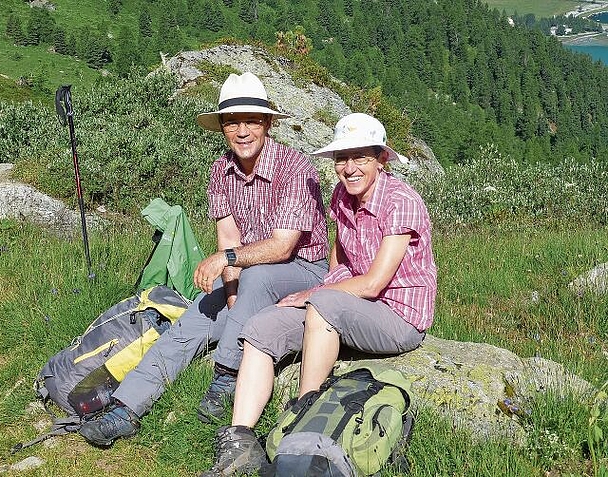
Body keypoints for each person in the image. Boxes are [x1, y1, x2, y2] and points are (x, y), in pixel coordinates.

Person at [79, 72, 329, 447]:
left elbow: (282, 247)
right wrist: (232, 296)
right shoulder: (220, 171)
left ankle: (225, 374)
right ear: (222, 127)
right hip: (248, 273)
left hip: (302, 270)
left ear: (268, 124)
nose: (242, 131)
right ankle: (125, 408)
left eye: (251, 121)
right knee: (192, 322)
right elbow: (229, 237)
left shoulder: (295, 168)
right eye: (232, 122)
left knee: (258, 278)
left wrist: (227, 263)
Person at [201, 113, 437, 476]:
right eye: (342, 159)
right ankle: (240, 440)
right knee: (262, 327)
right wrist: (319, 291)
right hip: (349, 306)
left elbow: (374, 283)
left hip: (397, 315)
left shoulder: (400, 201)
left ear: (381, 159)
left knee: (323, 304)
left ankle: (302, 417)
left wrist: (315, 294)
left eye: (361, 157)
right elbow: (340, 255)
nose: (349, 168)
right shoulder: (342, 195)